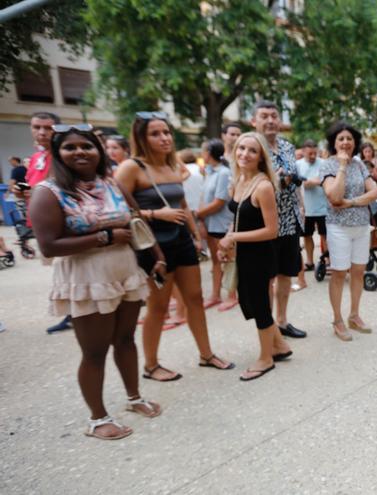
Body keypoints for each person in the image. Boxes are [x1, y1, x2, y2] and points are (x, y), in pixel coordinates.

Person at [29, 124, 163, 439]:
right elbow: (48, 245)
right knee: (94, 351)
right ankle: (97, 418)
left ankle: (134, 398)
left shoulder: (111, 184)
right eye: (70, 147)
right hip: (87, 277)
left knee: (126, 339)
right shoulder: (48, 192)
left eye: (87, 146)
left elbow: (137, 221)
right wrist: (105, 237)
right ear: (57, 153)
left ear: (98, 151)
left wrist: (157, 255)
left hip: (124, 270)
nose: (80, 152)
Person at [115, 111, 234, 381]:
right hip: (153, 247)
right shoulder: (131, 168)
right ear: (141, 138)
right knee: (158, 307)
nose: (164, 138)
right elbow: (119, 211)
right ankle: (151, 365)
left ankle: (206, 354)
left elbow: (181, 204)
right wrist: (156, 214)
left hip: (181, 241)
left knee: (194, 298)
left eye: (166, 132)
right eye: (155, 134)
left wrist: (194, 233)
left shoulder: (171, 164)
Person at [219, 132, 292, 381]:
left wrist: (233, 237)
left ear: (261, 157)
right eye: (241, 148)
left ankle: (266, 358)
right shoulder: (239, 180)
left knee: (260, 306)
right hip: (243, 253)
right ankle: (280, 345)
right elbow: (238, 217)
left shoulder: (263, 186)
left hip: (260, 255)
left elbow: (272, 230)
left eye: (252, 150)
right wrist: (227, 240)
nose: (244, 154)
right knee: (250, 302)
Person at [250, 101, 307, 339]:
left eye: (274, 116)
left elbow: (294, 181)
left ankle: (282, 321)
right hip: (265, 223)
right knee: (267, 277)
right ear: (254, 121)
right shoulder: (251, 147)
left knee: (286, 273)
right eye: (264, 116)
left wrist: (301, 205)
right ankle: (269, 328)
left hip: (290, 220)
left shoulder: (287, 146)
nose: (270, 120)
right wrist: (278, 181)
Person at [319, 122, 377, 341]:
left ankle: (354, 315)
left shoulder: (360, 164)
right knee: (339, 273)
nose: (345, 142)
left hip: (361, 226)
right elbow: (334, 196)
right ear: (334, 143)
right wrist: (342, 167)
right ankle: (337, 319)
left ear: (355, 142)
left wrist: (351, 202)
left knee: (358, 272)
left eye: (349, 139)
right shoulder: (328, 165)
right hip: (338, 228)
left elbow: (374, 192)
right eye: (341, 139)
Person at [15, 112, 74, 334]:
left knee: (67, 269)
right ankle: (73, 313)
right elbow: (30, 182)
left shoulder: (64, 156)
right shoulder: (37, 157)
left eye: (47, 128)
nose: (41, 132)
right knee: (60, 270)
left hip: (61, 222)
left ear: (57, 130)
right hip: (41, 222)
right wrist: (21, 190)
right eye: (36, 127)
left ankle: (76, 314)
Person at [196, 139, 236, 311]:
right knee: (216, 260)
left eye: (203, 151)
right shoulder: (209, 172)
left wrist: (197, 215)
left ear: (209, 153)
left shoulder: (223, 173)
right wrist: (201, 220)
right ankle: (215, 295)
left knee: (229, 259)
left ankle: (232, 295)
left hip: (222, 223)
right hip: (210, 222)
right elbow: (204, 198)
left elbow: (219, 202)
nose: (201, 154)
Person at [296, 139, 328, 272]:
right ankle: (309, 262)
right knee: (307, 235)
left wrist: (311, 182)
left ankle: (327, 260)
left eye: (315, 153)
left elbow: (326, 180)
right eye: (310, 154)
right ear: (303, 152)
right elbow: (297, 184)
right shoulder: (297, 165)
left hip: (323, 207)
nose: (313, 156)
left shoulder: (324, 163)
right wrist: (312, 181)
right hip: (306, 208)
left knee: (325, 235)